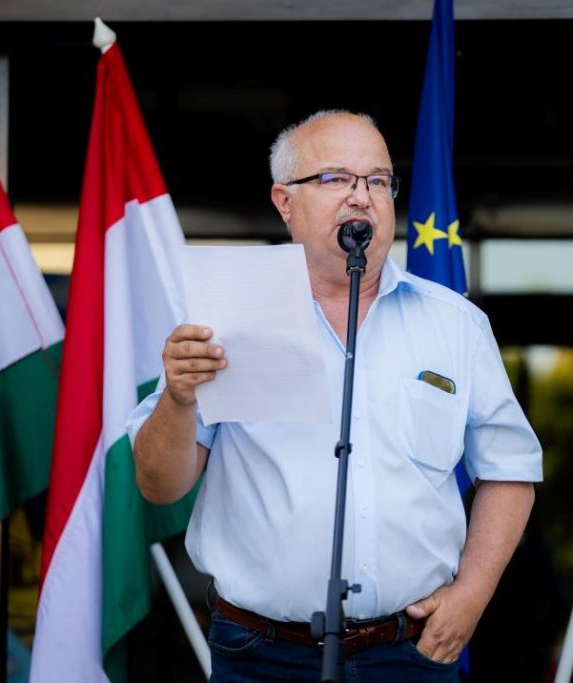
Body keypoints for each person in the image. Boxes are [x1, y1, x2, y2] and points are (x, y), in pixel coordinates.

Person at [126, 110, 542, 682]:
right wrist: (178, 399)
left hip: (409, 654)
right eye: (335, 178)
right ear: (284, 201)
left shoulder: (455, 325)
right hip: (262, 656)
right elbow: (159, 485)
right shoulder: (224, 317)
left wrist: (472, 593)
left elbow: (510, 470)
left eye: (378, 180)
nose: (361, 197)